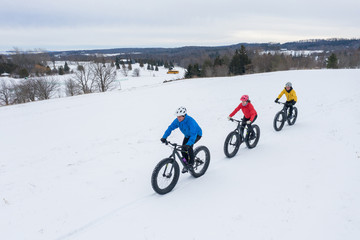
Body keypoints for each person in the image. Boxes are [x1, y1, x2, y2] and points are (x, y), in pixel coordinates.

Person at [160, 106, 202, 173]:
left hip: (196, 135)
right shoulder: (177, 121)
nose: (178, 118)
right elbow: (170, 128)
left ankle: (191, 163)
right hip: (187, 135)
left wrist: (188, 144)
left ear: (184, 115)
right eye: (177, 116)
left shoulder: (190, 121)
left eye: (180, 116)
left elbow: (193, 134)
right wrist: (164, 137)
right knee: (183, 151)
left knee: (189, 148)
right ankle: (186, 164)